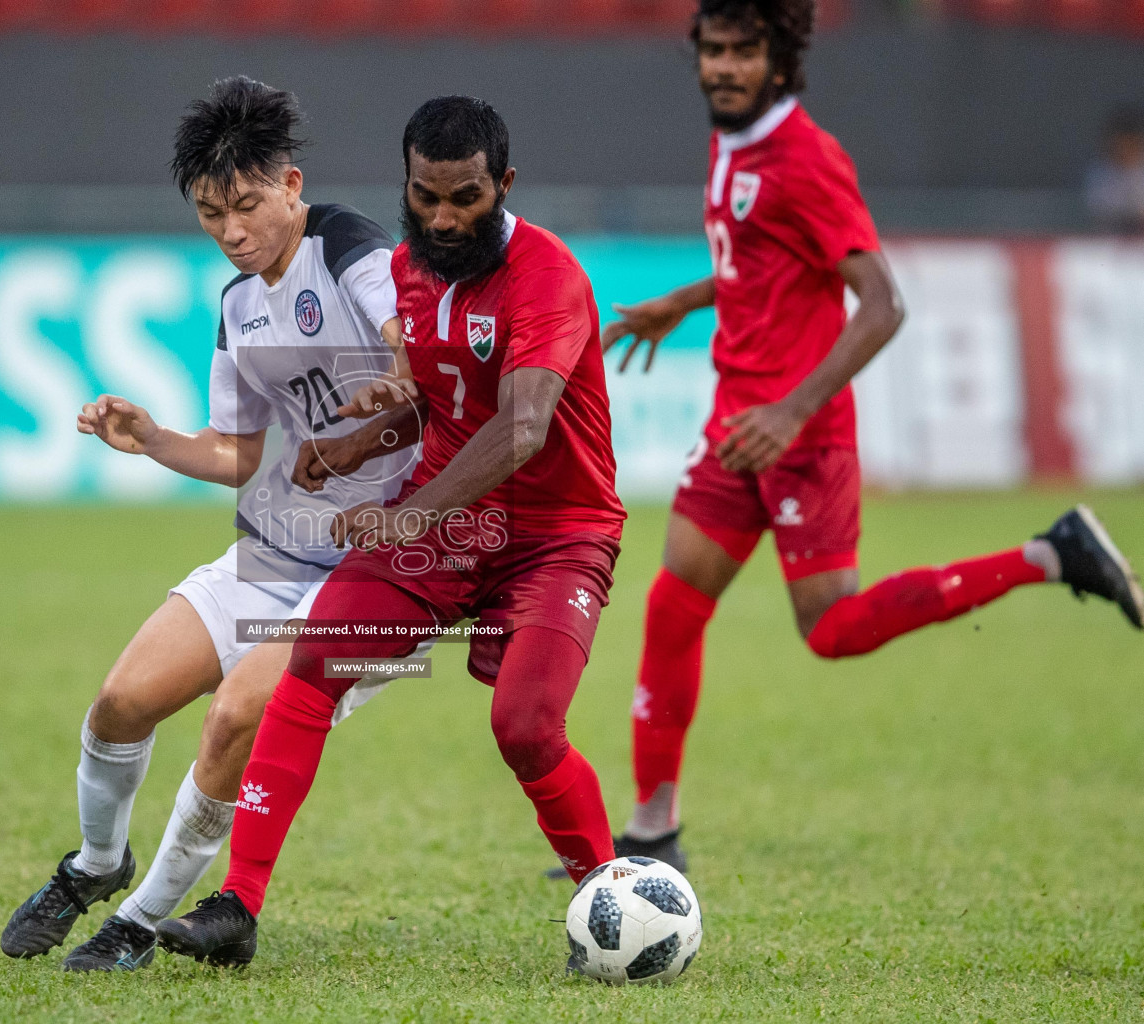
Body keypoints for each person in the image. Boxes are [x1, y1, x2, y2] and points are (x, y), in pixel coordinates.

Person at [593, 0, 1143, 876]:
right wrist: (685, 301)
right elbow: (760, 258)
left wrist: (790, 412)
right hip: (740, 424)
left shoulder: (806, 157)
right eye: (713, 51)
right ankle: (652, 831)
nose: (724, 68)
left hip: (800, 435)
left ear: (780, 59)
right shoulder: (729, 138)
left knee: (833, 630)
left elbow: (883, 301)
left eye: (743, 53)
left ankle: (1051, 554)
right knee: (671, 606)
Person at [152, 95, 629, 968]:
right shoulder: (406, 272)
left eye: (466, 199)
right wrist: (351, 443)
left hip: (556, 532)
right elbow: (430, 401)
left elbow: (520, 428)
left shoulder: (548, 275)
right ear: (405, 188)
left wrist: (408, 513)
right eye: (425, 198)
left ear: (504, 185)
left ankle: (609, 900)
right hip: (445, 526)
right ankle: (235, 909)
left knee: (524, 726)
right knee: (311, 665)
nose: (444, 219)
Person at [0, 76, 422, 972]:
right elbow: (234, 453)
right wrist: (151, 437)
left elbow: (405, 335)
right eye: (208, 213)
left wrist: (394, 375)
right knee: (120, 704)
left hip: (384, 573)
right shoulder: (238, 305)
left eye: (247, 205)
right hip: (283, 549)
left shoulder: (349, 246)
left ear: (291, 187)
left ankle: (143, 921)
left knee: (235, 716)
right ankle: (94, 868)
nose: (231, 230)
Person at [1085, 105, 1144, 234]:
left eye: (1129, 144)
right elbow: (1100, 212)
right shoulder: (1100, 174)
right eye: (1119, 145)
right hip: (1109, 241)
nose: (1124, 150)